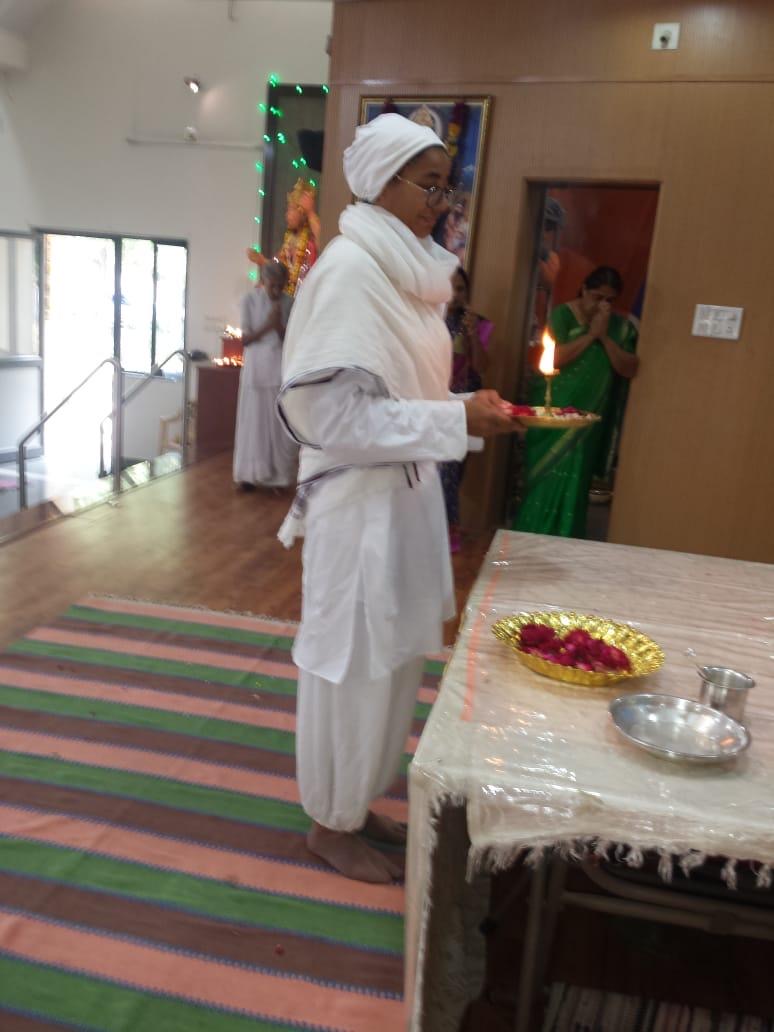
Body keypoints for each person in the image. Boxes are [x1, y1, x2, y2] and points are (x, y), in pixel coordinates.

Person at [276, 113, 518, 883]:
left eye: (446, 186)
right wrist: (455, 420)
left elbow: (402, 397)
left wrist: (466, 409)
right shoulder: (351, 271)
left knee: (393, 662)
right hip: (358, 509)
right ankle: (329, 821)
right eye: (429, 185)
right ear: (382, 180)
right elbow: (334, 420)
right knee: (350, 666)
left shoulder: (405, 273)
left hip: (405, 497)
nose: (440, 203)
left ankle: (357, 800)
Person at [515, 266, 639, 538]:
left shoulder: (619, 328)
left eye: (610, 300)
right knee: (544, 475)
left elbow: (629, 367)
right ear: (583, 289)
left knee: (577, 477)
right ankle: (530, 536)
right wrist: (591, 336)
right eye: (597, 297)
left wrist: (603, 336)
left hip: (589, 418)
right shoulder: (563, 316)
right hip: (554, 413)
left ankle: (567, 538)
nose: (603, 305)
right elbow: (553, 359)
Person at [439, 266, 494, 552]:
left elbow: (482, 366)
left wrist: (472, 336)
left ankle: (446, 533)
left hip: (465, 406)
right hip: (434, 401)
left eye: (460, 289)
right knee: (439, 469)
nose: (455, 294)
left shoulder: (478, 324)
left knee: (453, 469)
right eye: (450, 287)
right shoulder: (428, 319)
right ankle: (440, 535)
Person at [232, 261, 297, 490]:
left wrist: (278, 325)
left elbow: (291, 339)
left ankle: (278, 477)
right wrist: (269, 324)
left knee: (278, 426)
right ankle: (249, 476)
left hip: (279, 369)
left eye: (281, 286)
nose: (276, 291)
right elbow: (245, 339)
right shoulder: (249, 300)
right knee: (253, 423)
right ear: (263, 281)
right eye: (272, 286)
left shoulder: (289, 302)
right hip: (256, 370)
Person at [247, 179, 320, 297]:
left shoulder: (310, 244)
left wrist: (310, 212)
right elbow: (280, 271)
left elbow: (323, 241)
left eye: (291, 209)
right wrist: (262, 261)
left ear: (302, 212)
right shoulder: (289, 242)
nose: (287, 215)